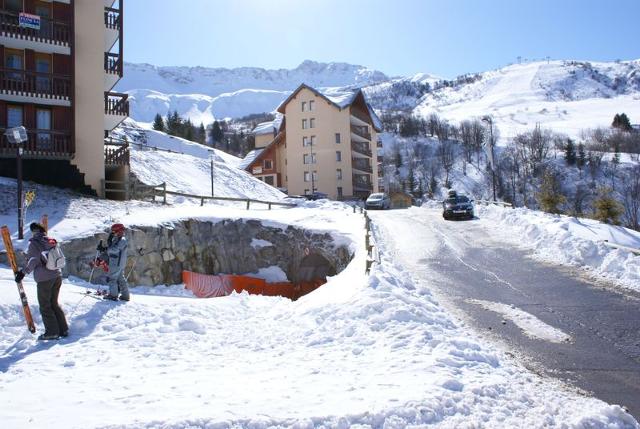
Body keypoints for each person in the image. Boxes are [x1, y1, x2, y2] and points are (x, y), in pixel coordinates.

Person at [15, 222, 68, 341]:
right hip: (57, 275)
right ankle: (63, 329)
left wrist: (23, 273)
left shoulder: (35, 243)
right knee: (54, 303)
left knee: (45, 306)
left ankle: (52, 333)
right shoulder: (50, 240)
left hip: (45, 279)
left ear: (34, 231)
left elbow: (33, 260)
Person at [98, 223, 130, 301]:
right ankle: (125, 296)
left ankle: (113, 295)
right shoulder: (118, 239)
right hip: (117, 263)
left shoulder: (122, 240)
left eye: (114, 231)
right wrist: (108, 242)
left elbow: (115, 250)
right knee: (121, 279)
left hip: (116, 263)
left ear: (119, 231)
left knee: (112, 279)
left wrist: (105, 249)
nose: (113, 233)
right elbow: (111, 248)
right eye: (112, 232)